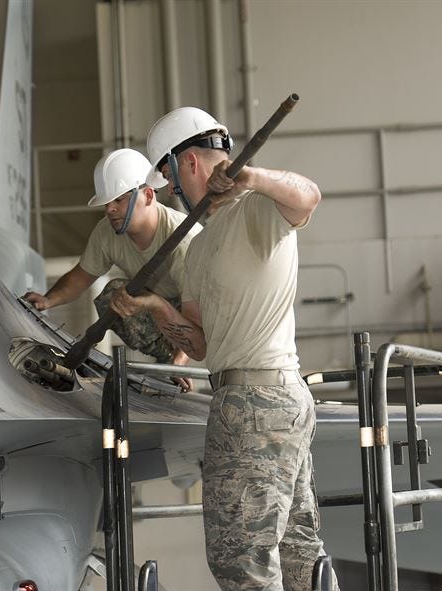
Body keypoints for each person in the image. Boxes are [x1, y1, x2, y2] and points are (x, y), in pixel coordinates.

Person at [110, 107, 339, 590]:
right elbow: (200, 343)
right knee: (297, 550)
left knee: (241, 559)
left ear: (189, 164)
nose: (171, 190)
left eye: (169, 177)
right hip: (259, 399)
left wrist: (250, 177)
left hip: (257, 403)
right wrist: (153, 305)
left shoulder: (256, 210)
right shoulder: (199, 248)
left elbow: (308, 197)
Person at [23, 147, 201, 390]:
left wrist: (179, 362)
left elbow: (199, 311)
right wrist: (47, 300)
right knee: (114, 294)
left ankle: (172, 362)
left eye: (119, 199)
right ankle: (166, 356)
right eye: (107, 202)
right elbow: (82, 275)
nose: (110, 209)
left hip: (202, 319)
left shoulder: (183, 240)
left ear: (148, 195)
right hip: (159, 312)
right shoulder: (107, 232)